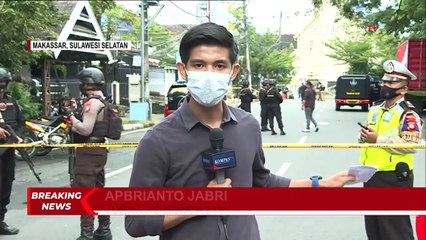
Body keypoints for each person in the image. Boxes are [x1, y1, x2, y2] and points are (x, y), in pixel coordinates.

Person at [125, 22, 355, 240]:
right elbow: (135, 222)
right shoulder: (158, 140)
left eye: (219, 65)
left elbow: (260, 182)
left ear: (233, 71)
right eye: (198, 65)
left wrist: (320, 184)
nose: (209, 73)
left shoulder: (248, 126)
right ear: (183, 70)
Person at [358, 60, 423, 240]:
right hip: (371, 174)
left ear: (403, 89)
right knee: (374, 228)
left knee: (395, 230)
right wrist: (364, 136)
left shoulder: (408, 114)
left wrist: (377, 139)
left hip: (393, 178)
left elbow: (411, 145)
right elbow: (369, 137)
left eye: (392, 82)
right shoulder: (375, 110)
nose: (386, 85)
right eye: (384, 81)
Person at [66, 67, 112, 240]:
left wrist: (71, 117)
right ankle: (104, 229)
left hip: (88, 152)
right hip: (98, 150)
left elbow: (86, 129)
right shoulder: (102, 100)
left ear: (86, 83)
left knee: (86, 192)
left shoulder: (91, 103)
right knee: (98, 191)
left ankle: (86, 234)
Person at [0, 67, 21, 235]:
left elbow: (20, 122)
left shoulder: (11, 102)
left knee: (5, 186)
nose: (1, 87)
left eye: (3, 84)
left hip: (8, 152)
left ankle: (0, 222)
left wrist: (18, 136)